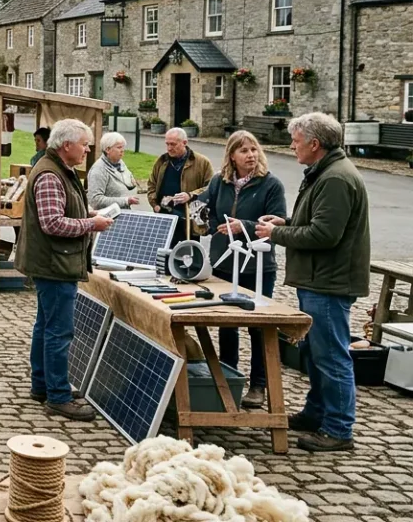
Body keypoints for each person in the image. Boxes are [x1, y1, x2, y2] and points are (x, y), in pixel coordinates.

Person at [255, 113, 369, 453]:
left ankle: (338, 428)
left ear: (315, 144)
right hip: (319, 279)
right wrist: (287, 222)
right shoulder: (326, 172)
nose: (292, 146)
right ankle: (316, 413)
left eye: (297, 141)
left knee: (332, 357)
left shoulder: (335, 178)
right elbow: (318, 223)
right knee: (317, 354)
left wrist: (277, 233)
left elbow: (325, 234)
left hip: (329, 283)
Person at [16, 119, 114, 421]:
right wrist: (91, 224)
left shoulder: (58, 170)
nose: (87, 149)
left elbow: (60, 211)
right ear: (67, 145)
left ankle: (43, 385)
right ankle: (57, 396)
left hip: (54, 261)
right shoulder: (49, 174)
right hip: (54, 263)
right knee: (59, 331)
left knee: (46, 327)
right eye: (84, 144)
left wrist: (87, 213)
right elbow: (53, 223)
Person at [196, 130, 286, 410]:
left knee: (258, 327)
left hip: (257, 265)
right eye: (244, 151)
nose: (251, 155)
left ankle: (259, 384)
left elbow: (276, 225)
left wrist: (243, 226)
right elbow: (205, 208)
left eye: (254, 150)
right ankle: (228, 375)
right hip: (224, 262)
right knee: (226, 323)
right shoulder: (219, 182)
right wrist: (201, 219)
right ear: (232, 156)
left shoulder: (271, 185)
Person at [147, 127, 214, 242]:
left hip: (189, 219)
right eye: (167, 144)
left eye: (173, 144)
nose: (169, 148)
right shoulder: (161, 161)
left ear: (184, 143)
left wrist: (190, 195)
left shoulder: (202, 162)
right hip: (165, 217)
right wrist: (155, 205)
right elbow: (151, 185)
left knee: (189, 255)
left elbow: (211, 188)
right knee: (164, 255)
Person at [86, 132, 141, 211]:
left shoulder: (120, 162)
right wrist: (125, 201)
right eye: (119, 147)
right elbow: (95, 200)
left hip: (124, 214)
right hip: (107, 218)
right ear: (107, 149)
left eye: (123, 147)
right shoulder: (98, 170)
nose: (122, 150)